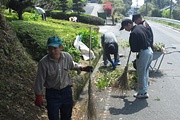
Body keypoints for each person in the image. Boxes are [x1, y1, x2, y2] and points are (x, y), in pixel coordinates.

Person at [34, 36, 93, 120]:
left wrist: (83, 68)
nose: (52, 51)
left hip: (66, 92)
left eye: (54, 48)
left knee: (67, 117)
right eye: (50, 48)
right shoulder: (43, 63)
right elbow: (39, 80)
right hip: (52, 94)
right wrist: (38, 95)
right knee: (53, 117)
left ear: (61, 47)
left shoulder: (67, 57)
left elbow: (72, 65)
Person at [120, 19, 153, 99]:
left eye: (125, 28)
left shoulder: (133, 33)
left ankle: (142, 93)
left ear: (129, 25)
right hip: (149, 51)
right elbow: (149, 36)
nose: (125, 30)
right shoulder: (141, 27)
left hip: (144, 52)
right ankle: (144, 91)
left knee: (141, 73)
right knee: (145, 72)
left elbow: (134, 49)